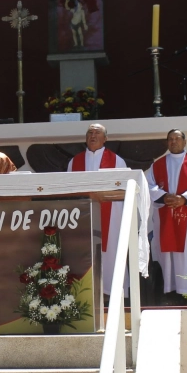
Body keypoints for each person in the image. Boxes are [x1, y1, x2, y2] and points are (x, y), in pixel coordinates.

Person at [67, 124, 129, 297]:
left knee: (112, 251)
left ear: (105, 138)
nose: (93, 135)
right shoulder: (75, 161)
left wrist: (101, 194)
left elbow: (123, 189)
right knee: (85, 250)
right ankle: (85, 293)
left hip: (111, 212)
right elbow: (69, 188)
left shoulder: (117, 161)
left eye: (97, 133)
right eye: (90, 133)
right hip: (83, 212)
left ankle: (112, 293)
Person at [146, 129, 187, 296]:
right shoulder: (157, 165)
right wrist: (164, 197)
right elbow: (149, 186)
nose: (174, 141)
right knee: (167, 254)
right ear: (167, 143)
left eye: (177, 138)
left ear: (184, 142)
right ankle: (169, 290)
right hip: (165, 216)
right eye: (170, 139)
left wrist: (183, 199)